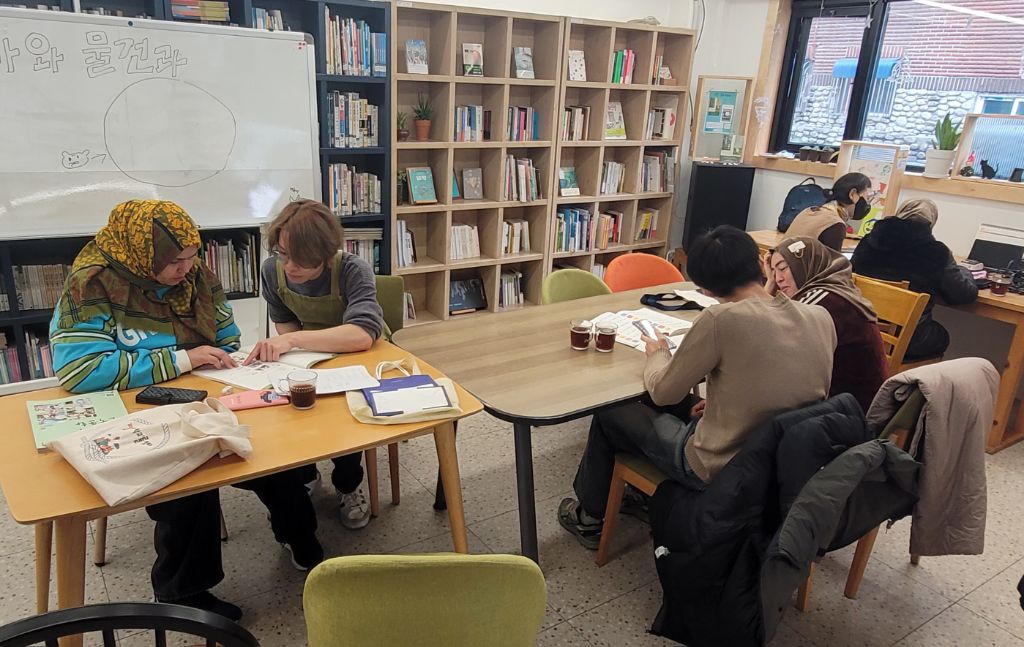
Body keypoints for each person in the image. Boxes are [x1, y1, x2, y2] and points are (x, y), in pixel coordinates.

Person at [558, 226, 837, 549]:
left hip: (721, 467)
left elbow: (664, 392)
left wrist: (658, 353)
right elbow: (793, 389)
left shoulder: (721, 319)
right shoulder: (820, 317)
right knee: (678, 406)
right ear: (760, 264)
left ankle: (590, 519)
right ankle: (638, 495)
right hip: (786, 464)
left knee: (611, 412)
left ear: (705, 289)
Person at [50, 200, 243, 620]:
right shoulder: (93, 282)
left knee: (271, 451)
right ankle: (182, 593)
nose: (186, 270)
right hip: (130, 406)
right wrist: (184, 359)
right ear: (142, 253)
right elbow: (80, 369)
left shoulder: (196, 274)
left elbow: (228, 337)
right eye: (175, 261)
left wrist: (218, 357)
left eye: (192, 258)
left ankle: (301, 536)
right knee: (188, 478)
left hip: (195, 394)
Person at [237, 199, 385, 568]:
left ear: (326, 253)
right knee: (292, 409)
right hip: (310, 358)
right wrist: (294, 349)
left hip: (356, 358)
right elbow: (286, 322)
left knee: (347, 417)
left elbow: (362, 334)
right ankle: (305, 473)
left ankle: (349, 485)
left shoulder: (352, 269)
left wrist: (294, 341)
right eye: (283, 254)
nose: (290, 267)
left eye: (302, 260)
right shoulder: (272, 271)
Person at [766, 236, 889, 412]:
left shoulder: (821, 301)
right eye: (773, 272)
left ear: (805, 264)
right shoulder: (831, 289)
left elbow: (767, 333)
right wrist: (770, 283)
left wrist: (768, 288)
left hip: (853, 411)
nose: (778, 278)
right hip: (848, 401)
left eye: (783, 268)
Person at [851, 198, 978, 360]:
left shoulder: (868, 241)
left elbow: (850, 273)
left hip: (860, 330)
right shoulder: (937, 252)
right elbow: (963, 294)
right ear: (931, 222)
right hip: (907, 339)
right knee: (942, 336)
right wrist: (965, 271)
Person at [787, 172, 873, 251]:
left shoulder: (811, 210)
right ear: (852, 194)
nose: (867, 203)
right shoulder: (835, 224)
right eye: (868, 198)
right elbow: (833, 262)